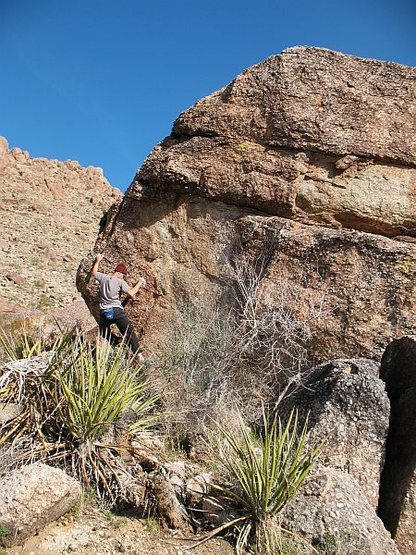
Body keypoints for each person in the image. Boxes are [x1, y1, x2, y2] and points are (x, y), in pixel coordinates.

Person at [92, 254, 146, 354]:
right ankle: (138, 355)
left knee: (103, 330)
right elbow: (131, 292)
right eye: (123, 275)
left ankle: (116, 340)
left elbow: (94, 273)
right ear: (120, 273)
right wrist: (140, 282)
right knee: (128, 332)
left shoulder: (104, 278)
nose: (123, 277)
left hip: (105, 312)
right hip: (117, 311)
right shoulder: (121, 282)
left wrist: (98, 260)